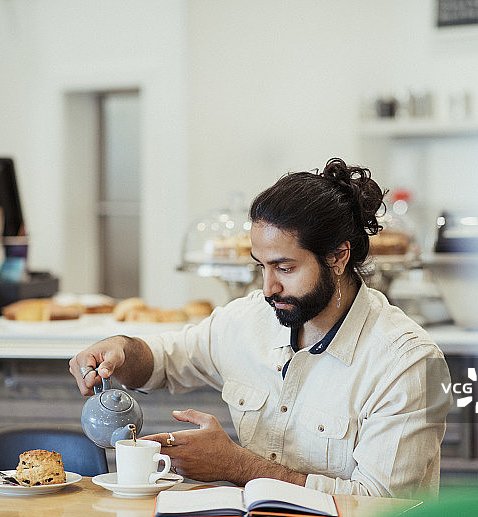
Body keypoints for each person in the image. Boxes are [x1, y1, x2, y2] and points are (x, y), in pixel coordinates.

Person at [69, 158, 451, 498]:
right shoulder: (249, 319)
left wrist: (237, 466)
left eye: (285, 268)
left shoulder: (406, 362)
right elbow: (165, 360)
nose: (268, 288)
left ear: (338, 255)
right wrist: (120, 348)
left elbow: (383, 506)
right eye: (260, 267)